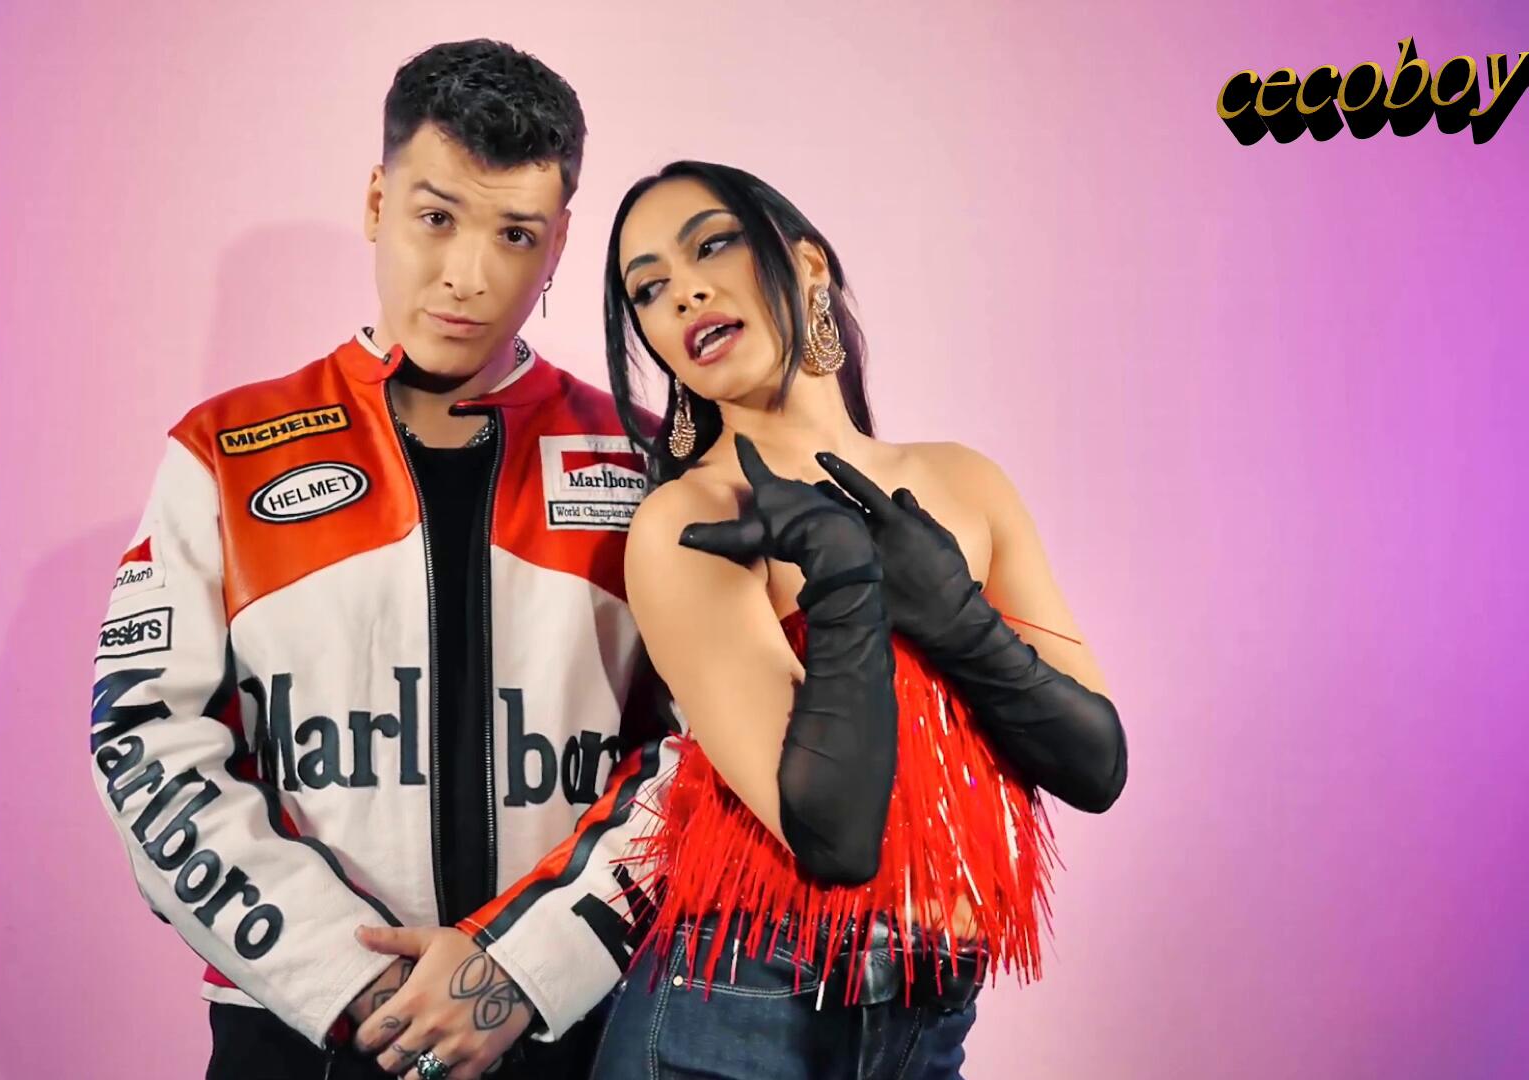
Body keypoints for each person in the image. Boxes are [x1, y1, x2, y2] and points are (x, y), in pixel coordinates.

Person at [87, 41, 679, 1080]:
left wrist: (524, 969)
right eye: (435, 217)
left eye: (515, 235)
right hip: (301, 1034)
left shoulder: (647, 459)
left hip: (570, 1033)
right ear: (376, 201)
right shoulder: (223, 449)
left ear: (559, 244)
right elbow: (144, 739)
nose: (467, 276)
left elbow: (704, 756)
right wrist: (358, 983)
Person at [585, 161, 1130, 1079]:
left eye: (712, 245)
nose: (683, 292)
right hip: (738, 1011)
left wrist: (955, 619)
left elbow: (1095, 763)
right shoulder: (693, 520)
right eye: (648, 289)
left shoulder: (965, 481)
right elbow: (833, 834)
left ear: (808, 265)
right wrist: (842, 578)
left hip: (928, 1019)